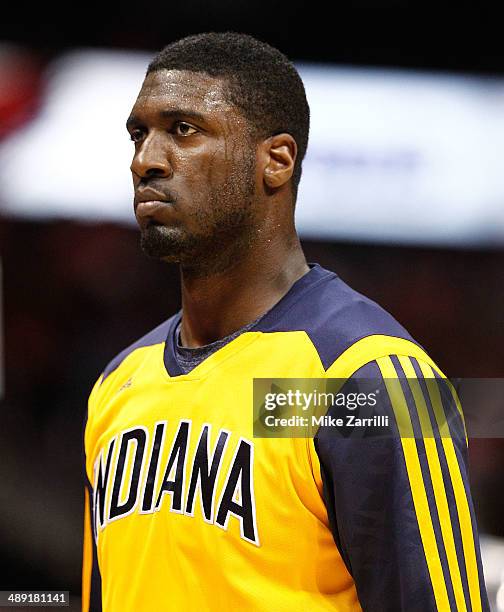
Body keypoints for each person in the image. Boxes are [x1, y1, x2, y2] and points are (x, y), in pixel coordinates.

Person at [81, 32, 489, 611]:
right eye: (139, 134)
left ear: (276, 161)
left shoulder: (370, 379)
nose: (145, 161)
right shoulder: (119, 381)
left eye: (184, 130)